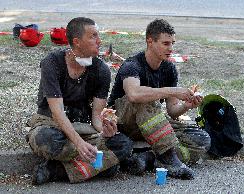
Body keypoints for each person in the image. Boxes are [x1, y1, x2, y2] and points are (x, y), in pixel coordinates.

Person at [26, 17, 133, 185]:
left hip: (82, 127)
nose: (99, 41)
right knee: (45, 139)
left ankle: (56, 170)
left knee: (123, 144)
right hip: (51, 124)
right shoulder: (52, 63)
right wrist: (79, 144)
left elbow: (97, 116)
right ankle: (97, 166)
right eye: (93, 36)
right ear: (76, 41)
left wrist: (105, 130)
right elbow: (57, 112)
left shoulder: (102, 70)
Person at [108, 19, 211, 179]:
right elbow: (134, 94)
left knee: (201, 140)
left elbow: (172, 111)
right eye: (165, 43)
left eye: (172, 43)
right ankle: (169, 158)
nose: (171, 49)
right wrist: (172, 91)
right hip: (123, 123)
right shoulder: (132, 65)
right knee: (147, 98)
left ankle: (150, 159)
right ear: (150, 41)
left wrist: (187, 105)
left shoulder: (169, 69)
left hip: (151, 123)